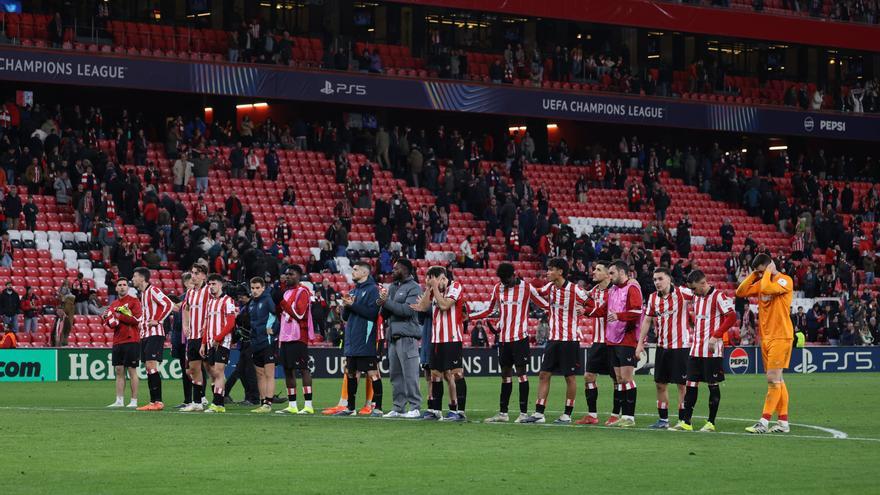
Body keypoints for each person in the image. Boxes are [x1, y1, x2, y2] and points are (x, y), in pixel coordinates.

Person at [470, 262, 546, 423]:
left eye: (507, 280)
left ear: (514, 275)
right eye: (503, 281)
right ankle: (503, 413)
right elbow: (490, 310)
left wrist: (559, 310)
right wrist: (470, 316)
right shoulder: (498, 288)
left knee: (522, 374)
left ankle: (524, 413)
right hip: (504, 340)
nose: (505, 283)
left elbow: (543, 304)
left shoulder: (526, 288)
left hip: (520, 338)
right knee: (505, 375)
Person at [522, 258, 587, 425]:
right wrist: (523, 285)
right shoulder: (550, 287)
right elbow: (537, 292)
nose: (548, 273)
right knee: (544, 374)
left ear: (560, 272)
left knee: (570, 377)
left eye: (551, 270)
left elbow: (591, 302)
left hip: (569, 340)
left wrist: (585, 310)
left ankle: (567, 414)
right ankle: (539, 413)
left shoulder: (575, 290)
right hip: (553, 339)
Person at [736, 253, 794, 434]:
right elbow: (740, 292)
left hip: (781, 336)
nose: (761, 276)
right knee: (779, 379)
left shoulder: (785, 281)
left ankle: (764, 422)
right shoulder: (763, 280)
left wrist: (767, 274)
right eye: (759, 273)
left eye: (762, 271)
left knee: (772, 379)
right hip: (766, 337)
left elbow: (768, 288)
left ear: (769, 266)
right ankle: (783, 423)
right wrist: (754, 274)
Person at [673, 270, 736, 432]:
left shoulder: (719, 297)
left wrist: (715, 336)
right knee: (691, 384)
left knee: (712, 384)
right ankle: (686, 422)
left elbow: (731, 317)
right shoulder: (696, 296)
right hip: (695, 349)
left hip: (712, 350)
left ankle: (711, 422)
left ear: (703, 283)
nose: (693, 292)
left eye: (694, 289)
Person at [636, 267, 693, 429]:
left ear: (669, 279)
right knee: (660, 384)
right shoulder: (653, 298)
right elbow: (647, 321)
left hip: (680, 347)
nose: (657, 283)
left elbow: (701, 294)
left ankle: (683, 420)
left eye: (660, 279)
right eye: (655, 280)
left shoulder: (682, 293)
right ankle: (663, 420)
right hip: (662, 347)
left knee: (682, 385)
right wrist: (640, 343)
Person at [410, 266, 468, 421]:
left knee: (456, 373)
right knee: (435, 375)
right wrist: (429, 288)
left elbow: (444, 305)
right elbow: (422, 308)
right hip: (436, 339)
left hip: (452, 339)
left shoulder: (455, 287)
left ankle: (460, 412)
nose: (431, 284)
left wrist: (434, 287)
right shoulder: (434, 290)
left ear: (443, 278)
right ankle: (436, 410)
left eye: (433, 280)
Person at [334, 261, 384, 417]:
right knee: (351, 373)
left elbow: (372, 314)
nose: (352, 272)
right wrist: (345, 307)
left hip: (366, 339)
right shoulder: (354, 291)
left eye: (355, 270)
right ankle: (350, 408)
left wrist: (352, 305)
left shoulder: (373, 290)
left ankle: (378, 408)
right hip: (352, 339)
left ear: (365, 273)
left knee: (372, 373)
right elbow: (346, 317)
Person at [378, 259, 424, 418]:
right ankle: (398, 408)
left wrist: (387, 302)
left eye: (396, 268)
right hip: (393, 336)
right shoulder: (393, 287)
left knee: (410, 374)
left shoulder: (415, 288)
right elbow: (385, 314)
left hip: (407, 336)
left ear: (405, 270)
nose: (392, 270)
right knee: (395, 375)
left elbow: (407, 311)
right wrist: (382, 303)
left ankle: (415, 407)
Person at [600, 260, 644, 428]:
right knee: (619, 379)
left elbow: (637, 311)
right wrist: (588, 312)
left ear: (621, 272)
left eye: (612, 273)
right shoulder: (613, 290)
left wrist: (619, 316)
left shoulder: (632, 288)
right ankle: (624, 415)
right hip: (613, 338)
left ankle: (629, 417)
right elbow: (605, 309)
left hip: (627, 338)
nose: (609, 276)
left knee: (626, 378)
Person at [576, 260, 619, 425]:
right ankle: (592, 415)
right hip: (598, 341)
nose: (594, 272)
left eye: (598, 270)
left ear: (608, 275)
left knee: (617, 380)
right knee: (588, 376)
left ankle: (615, 415)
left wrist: (586, 311)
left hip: (613, 342)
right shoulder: (592, 292)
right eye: (594, 269)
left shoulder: (616, 292)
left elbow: (603, 312)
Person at [275, 265, 316, 415]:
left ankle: (308, 405)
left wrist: (282, 303)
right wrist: (276, 303)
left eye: (291, 274)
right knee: (287, 370)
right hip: (285, 336)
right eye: (286, 274)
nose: (287, 277)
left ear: (299, 276)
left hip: (298, 336)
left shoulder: (303, 292)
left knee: (303, 369)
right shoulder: (286, 293)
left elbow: (299, 315)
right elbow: (281, 313)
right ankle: (292, 405)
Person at [132, 267, 174, 411]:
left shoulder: (153, 291)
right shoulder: (143, 294)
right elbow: (147, 314)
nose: (133, 279)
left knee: (151, 365)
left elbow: (168, 304)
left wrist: (158, 320)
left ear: (142, 278)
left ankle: (158, 401)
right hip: (145, 334)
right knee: (148, 367)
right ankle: (153, 401)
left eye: (135, 276)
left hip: (155, 333)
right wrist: (140, 322)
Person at [201, 274, 239, 413]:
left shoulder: (228, 301)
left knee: (218, 372)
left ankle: (218, 404)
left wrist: (218, 338)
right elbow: (207, 324)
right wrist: (203, 343)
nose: (211, 287)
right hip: (211, 342)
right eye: (209, 284)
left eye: (214, 284)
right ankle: (219, 401)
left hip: (222, 342)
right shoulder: (210, 302)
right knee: (213, 373)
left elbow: (230, 323)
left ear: (221, 285)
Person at [103, 279, 142, 409]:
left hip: (131, 339)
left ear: (128, 287)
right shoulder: (113, 304)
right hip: (118, 340)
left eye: (124, 285)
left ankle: (134, 400)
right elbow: (112, 324)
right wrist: (107, 319)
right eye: (119, 285)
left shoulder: (134, 301)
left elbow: (137, 320)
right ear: (116, 288)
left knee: (132, 370)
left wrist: (120, 317)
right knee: (119, 370)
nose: (122, 287)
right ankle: (119, 400)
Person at [180, 263, 210, 412]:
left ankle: (219, 401)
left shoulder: (209, 291)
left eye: (197, 273)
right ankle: (197, 402)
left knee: (213, 369)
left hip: (207, 336)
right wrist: (185, 325)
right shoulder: (190, 292)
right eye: (192, 273)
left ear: (204, 276)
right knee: (193, 369)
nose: (194, 276)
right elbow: (185, 309)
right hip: (193, 336)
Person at [247, 276, 277, 413]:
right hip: (255, 342)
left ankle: (268, 403)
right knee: (259, 374)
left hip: (267, 342)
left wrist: (274, 330)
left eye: (257, 288)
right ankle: (262, 400)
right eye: (252, 288)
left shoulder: (267, 300)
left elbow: (277, 316)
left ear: (263, 288)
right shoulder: (252, 303)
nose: (255, 291)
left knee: (269, 373)